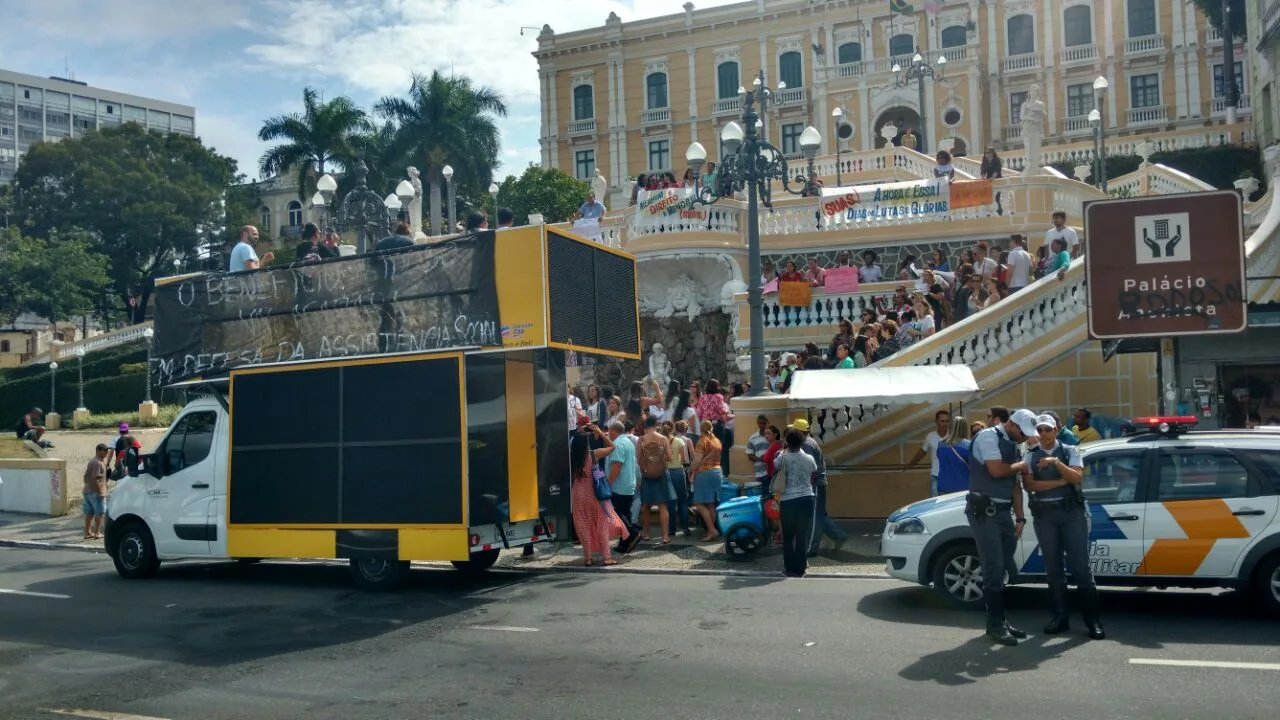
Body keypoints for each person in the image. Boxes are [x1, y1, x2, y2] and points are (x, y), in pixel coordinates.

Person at [1022, 414, 1105, 639]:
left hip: (1071, 515)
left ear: (1056, 430)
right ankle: (1060, 617)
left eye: (1048, 430)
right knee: (1053, 569)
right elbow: (1030, 485)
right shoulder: (1030, 456)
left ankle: (1093, 621)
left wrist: (1056, 463)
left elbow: (1076, 478)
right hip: (1045, 517)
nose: (1044, 435)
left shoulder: (1070, 451)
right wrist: (1059, 481)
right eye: (1040, 430)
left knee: (1081, 569)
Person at [967, 407, 1038, 645]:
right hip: (984, 512)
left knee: (1003, 567)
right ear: (1012, 425)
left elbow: (1015, 486)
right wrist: (1023, 464)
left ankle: (999, 621)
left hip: (1003, 513)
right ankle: (996, 625)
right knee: (993, 568)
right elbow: (996, 471)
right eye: (1023, 432)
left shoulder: (1015, 445)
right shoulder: (988, 436)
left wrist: (1020, 518)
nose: (1025, 437)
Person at [569, 421, 626, 566]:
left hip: (577, 493)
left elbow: (575, 440)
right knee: (601, 523)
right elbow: (612, 447)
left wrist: (579, 432)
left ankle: (588, 558)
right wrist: (600, 433)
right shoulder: (593, 454)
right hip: (593, 493)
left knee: (583, 525)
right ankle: (607, 558)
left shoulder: (571, 456)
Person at [771, 428, 818, 577]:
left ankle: (789, 568)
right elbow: (814, 469)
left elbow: (775, 465)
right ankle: (801, 567)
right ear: (802, 442)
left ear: (787, 442)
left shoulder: (782, 457)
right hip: (806, 497)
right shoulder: (809, 458)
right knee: (802, 535)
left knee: (789, 536)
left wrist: (783, 451)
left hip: (788, 499)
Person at [635, 416, 674, 544]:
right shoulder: (663, 439)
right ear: (657, 424)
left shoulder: (641, 439)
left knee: (646, 506)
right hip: (662, 474)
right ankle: (664, 536)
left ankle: (646, 534)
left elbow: (638, 458)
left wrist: (643, 470)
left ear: (646, 426)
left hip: (646, 475)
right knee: (663, 506)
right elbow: (669, 458)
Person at [690, 420, 723, 542]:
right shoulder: (717, 441)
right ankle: (712, 529)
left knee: (698, 503)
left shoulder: (702, 441)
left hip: (705, 473)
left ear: (701, 429)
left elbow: (697, 460)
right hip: (717, 472)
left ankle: (711, 529)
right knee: (710, 503)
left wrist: (690, 470)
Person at [906, 410, 950, 497]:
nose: (944, 424)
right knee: (935, 503)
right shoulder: (930, 436)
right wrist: (910, 465)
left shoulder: (953, 435)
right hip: (936, 476)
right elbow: (922, 452)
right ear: (936, 422)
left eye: (947, 421)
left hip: (950, 476)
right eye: (942, 421)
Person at [935, 416, 972, 495]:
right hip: (964, 487)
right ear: (965, 428)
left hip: (943, 485)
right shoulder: (968, 445)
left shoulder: (941, 444)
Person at [83, 443, 110, 540]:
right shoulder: (98, 463)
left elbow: (85, 476)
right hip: (96, 492)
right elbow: (96, 478)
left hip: (88, 491)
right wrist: (100, 491)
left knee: (89, 513)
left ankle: (87, 532)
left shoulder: (92, 461)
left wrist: (87, 485)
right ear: (98, 451)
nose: (106, 453)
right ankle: (97, 533)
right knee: (100, 513)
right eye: (105, 451)